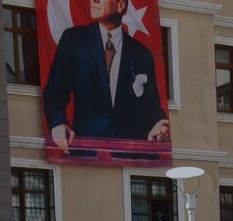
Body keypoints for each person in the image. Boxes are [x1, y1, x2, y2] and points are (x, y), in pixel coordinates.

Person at [42, 0, 169, 156]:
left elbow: (151, 105)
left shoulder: (141, 54)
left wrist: (158, 124)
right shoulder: (74, 40)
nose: (93, 1)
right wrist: (57, 123)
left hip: (130, 156)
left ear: (121, 5)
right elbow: (55, 91)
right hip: (86, 153)